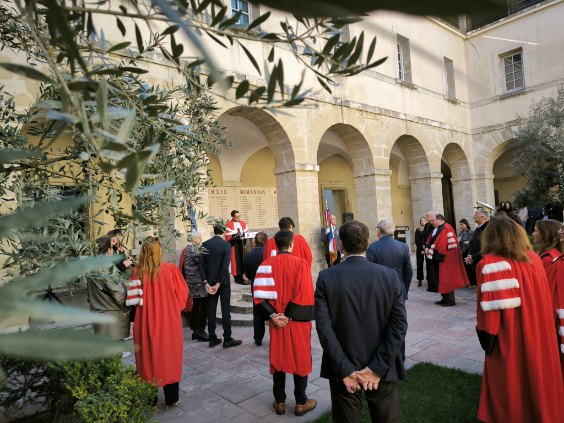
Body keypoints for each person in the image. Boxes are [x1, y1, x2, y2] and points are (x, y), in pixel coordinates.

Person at [315, 220, 408, 423]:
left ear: (340, 245)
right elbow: (324, 327)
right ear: (368, 241)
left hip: (365, 367)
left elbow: (324, 328)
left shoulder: (327, 277)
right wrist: (347, 371)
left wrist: (374, 369)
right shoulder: (388, 276)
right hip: (353, 368)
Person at [475, 217, 563, 422]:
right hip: (540, 331)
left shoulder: (489, 265)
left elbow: (489, 317)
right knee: (538, 379)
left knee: (511, 386)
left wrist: (487, 341)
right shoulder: (534, 258)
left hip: (510, 338)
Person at [253, 231, 317, 417]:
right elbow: (305, 295)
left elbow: (259, 295)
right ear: (292, 245)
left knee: (279, 358)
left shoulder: (265, 265)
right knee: (301, 357)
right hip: (296, 322)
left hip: (277, 322)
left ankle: (279, 401)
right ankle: (301, 402)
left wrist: (274, 315)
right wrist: (288, 315)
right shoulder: (301, 264)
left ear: (276, 245)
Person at [132, 237, 188, 407]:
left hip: (145, 322)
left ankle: (151, 399)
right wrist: (172, 308)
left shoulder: (137, 273)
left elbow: (134, 301)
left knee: (148, 358)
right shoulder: (170, 270)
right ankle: (172, 398)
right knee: (169, 356)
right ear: (159, 251)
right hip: (168, 321)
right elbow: (182, 296)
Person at [202, 225, 242, 349]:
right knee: (225, 309)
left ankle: (212, 338)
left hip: (209, 282)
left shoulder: (204, 244)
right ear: (224, 232)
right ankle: (227, 338)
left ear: (214, 232)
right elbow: (225, 267)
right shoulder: (226, 245)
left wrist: (206, 283)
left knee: (211, 309)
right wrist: (219, 283)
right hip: (223, 282)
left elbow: (200, 265)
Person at [533, 219, 564, 377]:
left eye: (536, 230)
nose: (533, 233)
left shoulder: (549, 259)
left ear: (545, 234)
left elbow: (545, 293)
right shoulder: (550, 255)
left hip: (549, 316)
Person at [87, 236, 130, 340]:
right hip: (112, 318)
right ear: (109, 249)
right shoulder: (106, 266)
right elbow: (118, 292)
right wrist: (127, 308)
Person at [425, 214, 469, 306]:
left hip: (446, 258)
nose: (431, 222)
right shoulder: (438, 228)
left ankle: (450, 300)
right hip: (438, 257)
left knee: (447, 279)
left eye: (433, 220)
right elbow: (433, 240)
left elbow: (444, 243)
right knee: (441, 278)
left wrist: (437, 252)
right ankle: (444, 298)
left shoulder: (447, 228)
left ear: (439, 219)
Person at [366, 219, 413, 300]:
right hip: (399, 288)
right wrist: (404, 289)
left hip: (379, 290)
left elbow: (369, 271)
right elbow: (408, 272)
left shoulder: (373, 247)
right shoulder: (403, 246)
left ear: (379, 231)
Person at [180, 232, 209, 342]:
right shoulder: (195, 250)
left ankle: (195, 331)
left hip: (191, 282)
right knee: (203, 306)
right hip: (198, 282)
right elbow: (201, 264)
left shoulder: (187, 248)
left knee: (196, 306)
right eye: (200, 236)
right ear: (195, 238)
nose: (201, 238)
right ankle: (200, 331)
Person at [243, 231, 269, 346]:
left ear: (254, 242)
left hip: (256, 288)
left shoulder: (248, 256)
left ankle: (258, 339)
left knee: (258, 313)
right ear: (267, 242)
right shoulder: (270, 254)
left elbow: (247, 275)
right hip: (270, 288)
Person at [464, 208, 490, 287]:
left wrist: (473, 257)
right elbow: (473, 243)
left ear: (482, 217)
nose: (473, 216)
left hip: (483, 261)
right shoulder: (479, 227)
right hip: (476, 261)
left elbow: (487, 248)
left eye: (475, 215)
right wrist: (469, 256)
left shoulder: (488, 228)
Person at [225, 210, 249, 284]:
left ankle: (243, 276)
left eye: (239, 216)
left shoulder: (243, 223)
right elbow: (228, 235)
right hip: (234, 245)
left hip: (243, 244)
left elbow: (247, 232)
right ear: (232, 217)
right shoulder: (229, 224)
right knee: (236, 261)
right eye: (236, 216)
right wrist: (235, 235)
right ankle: (237, 278)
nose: (238, 218)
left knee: (243, 260)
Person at [422, 210, 437, 292]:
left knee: (433, 268)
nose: (426, 216)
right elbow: (424, 236)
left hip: (433, 250)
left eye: (427, 215)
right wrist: (424, 246)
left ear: (432, 216)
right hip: (427, 249)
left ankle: (434, 285)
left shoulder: (434, 226)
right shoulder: (427, 225)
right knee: (428, 267)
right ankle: (430, 285)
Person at [414, 217, 427, 287]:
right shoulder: (418, 230)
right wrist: (421, 250)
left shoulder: (428, 230)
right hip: (419, 250)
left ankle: (429, 278)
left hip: (427, 249)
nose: (423, 221)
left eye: (424, 220)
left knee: (429, 265)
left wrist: (426, 249)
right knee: (419, 265)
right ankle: (420, 280)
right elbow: (417, 241)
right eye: (421, 220)